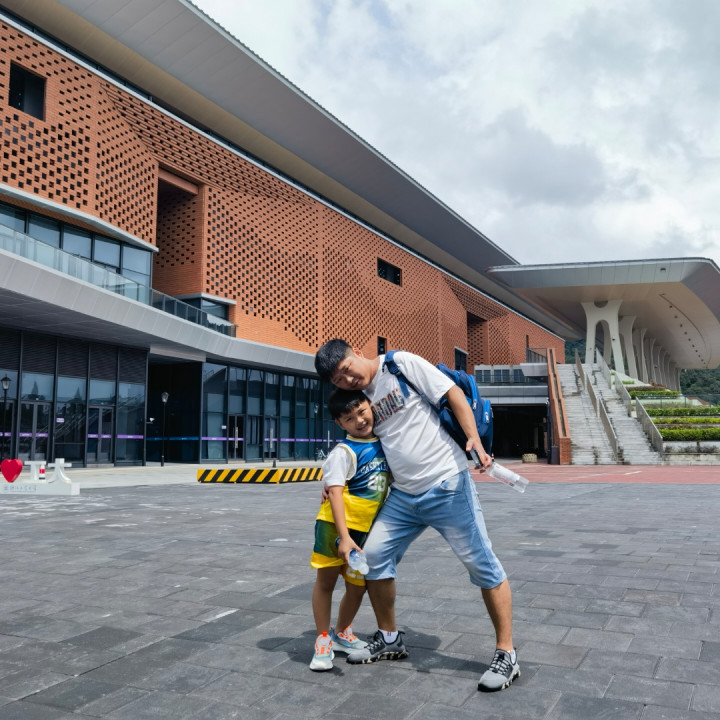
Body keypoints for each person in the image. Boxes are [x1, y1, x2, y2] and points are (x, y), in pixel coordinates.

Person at [314, 339, 519, 692]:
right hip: (403, 496)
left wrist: (474, 439)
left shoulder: (400, 364)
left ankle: (507, 653)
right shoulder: (360, 399)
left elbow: (452, 393)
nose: (347, 380)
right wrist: (336, 478)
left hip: (446, 483)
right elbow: (365, 442)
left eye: (347, 370)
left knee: (482, 564)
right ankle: (389, 638)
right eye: (338, 381)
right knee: (373, 558)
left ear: (357, 353)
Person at [309, 388, 391, 671]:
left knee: (358, 586)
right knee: (326, 582)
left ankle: (342, 632)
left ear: (370, 405)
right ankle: (322, 639)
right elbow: (334, 492)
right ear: (339, 423)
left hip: (364, 531)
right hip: (335, 529)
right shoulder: (343, 452)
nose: (359, 420)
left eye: (362, 411)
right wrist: (344, 538)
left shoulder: (385, 443)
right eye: (349, 418)